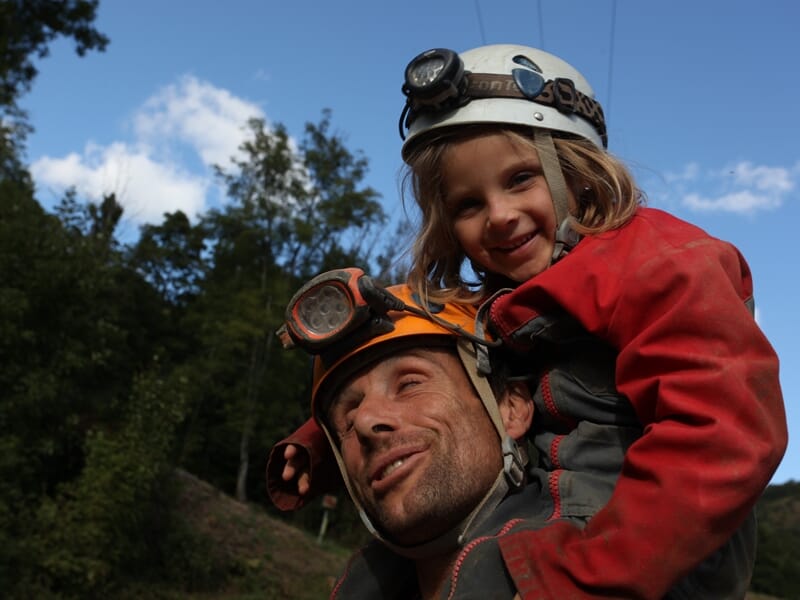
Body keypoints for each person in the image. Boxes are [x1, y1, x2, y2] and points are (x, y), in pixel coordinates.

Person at [268, 44, 788, 598]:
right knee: (374, 579)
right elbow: (403, 357)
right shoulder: (502, 301)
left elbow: (722, 430)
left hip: (648, 547)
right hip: (553, 516)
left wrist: (593, 572)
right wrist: (321, 441)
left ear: (576, 170)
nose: (499, 215)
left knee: (480, 579)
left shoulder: (657, 261)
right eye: (468, 204)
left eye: (519, 179)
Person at [275, 268, 568, 599]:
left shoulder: (599, 571)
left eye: (410, 383)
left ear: (511, 406)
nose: (366, 421)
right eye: (348, 416)